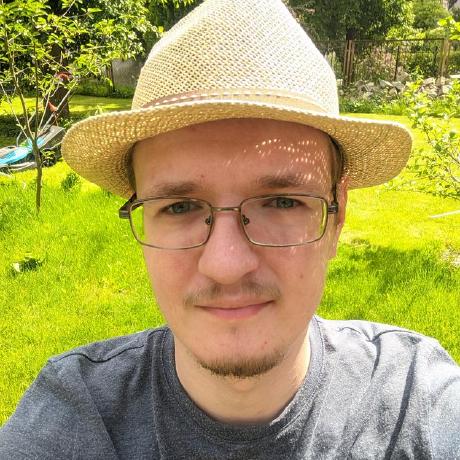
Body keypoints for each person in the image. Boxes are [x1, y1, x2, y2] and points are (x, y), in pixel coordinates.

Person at [1, 0, 459, 458]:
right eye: (179, 206)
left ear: (337, 218)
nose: (226, 264)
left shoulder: (417, 405)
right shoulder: (75, 418)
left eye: (281, 202)